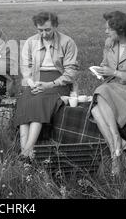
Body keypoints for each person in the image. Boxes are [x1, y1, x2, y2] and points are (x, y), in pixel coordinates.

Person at [89, 11, 126, 176]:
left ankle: (115, 140)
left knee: (100, 92)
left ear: (120, 30)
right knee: (94, 109)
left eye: (109, 29)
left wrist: (114, 73)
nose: (106, 32)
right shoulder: (109, 43)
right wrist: (101, 71)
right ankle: (118, 146)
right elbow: (105, 64)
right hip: (112, 87)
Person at [15, 12, 79, 161]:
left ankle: (28, 148)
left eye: (47, 30)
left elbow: (70, 72)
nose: (44, 33)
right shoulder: (31, 42)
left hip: (58, 81)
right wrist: (31, 84)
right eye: (40, 30)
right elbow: (25, 67)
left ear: (55, 26)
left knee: (39, 100)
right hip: (36, 80)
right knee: (25, 101)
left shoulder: (67, 42)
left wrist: (49, 85)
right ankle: (24, 151)